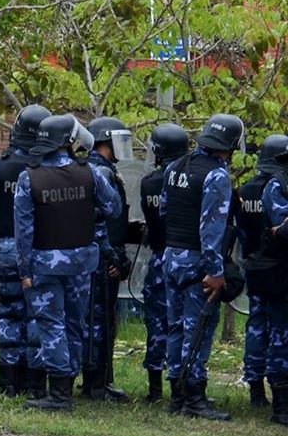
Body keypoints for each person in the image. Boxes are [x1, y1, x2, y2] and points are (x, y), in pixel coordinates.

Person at [14, 115, 122, 411]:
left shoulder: (29, 177)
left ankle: (60, 392)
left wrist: (25, 271)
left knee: (51, 324)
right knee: (74, 323)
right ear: (67, 142)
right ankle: (68, 384)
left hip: (44, 264)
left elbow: (23, 231)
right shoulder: (90, 173)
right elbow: (113, 208)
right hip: (81, 264)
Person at [160, 113, 243, 419]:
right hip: (198, 261)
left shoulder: (175, 167)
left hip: (172, 256)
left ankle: (176, 395)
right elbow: (212, 229)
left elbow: (165, 211)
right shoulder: (217, 175)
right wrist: (215, 271)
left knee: (176, 327)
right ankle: (194, 397)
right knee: (199, 328)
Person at [0, 104, 52, 396]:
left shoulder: (1, 165)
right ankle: (35, 383)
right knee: (36, 315)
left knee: (9, 315)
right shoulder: (44, 168)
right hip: (38, 249)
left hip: (5, 247)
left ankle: (9, 381)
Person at [81, 117, 136, 402]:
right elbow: (100, 221)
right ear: (105, 140)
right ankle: (96, 384)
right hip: (102, 257)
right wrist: (113, 255)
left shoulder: (102, 169)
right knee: (99, 321)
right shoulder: (98, 171)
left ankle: (101, 380)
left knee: (102, 319)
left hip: (104, 254)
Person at [139, 123, 189, 402]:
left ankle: (154, 388)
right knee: (180, 324)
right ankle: (180, 388)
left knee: (155, 325)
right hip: (182, 257)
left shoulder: (149, 183)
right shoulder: (189, 180)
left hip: (158, 260)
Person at [238, 135, 288, 407]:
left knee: (256, 325)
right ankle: (278, 392)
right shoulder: (278, 187)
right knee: (280, 328)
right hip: (279, 268)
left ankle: (255, 389)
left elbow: (242, 231)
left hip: (255, 265)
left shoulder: (245, 190)